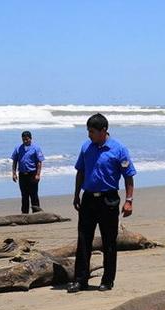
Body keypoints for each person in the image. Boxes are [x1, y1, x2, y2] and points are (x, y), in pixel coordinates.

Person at [67, 113, 136, 293]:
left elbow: (128, 176)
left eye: (92, 131)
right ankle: (80, 280)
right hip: (88, 198)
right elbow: (80, 172)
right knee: (83, 240)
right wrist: (76, 195)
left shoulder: (119, 149)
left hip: (109, 199)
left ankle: (107, 280)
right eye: (88, 131)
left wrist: (129, 201)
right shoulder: (86, 147)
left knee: (109, 242)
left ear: (103, 130)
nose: (89, 135)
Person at [11, 131, 45, 213]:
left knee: (33, 195)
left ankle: (37, 212)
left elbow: (39, 162)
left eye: (27, 139)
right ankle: (25, 213)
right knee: (24, 195)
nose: (25, 141)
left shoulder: (36, 148)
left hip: (32, 174)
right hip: (22, 175)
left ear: (30, 138)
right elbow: (15, 161)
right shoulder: (18, 148)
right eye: (23, 139)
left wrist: (38, 174)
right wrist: (14, 173)